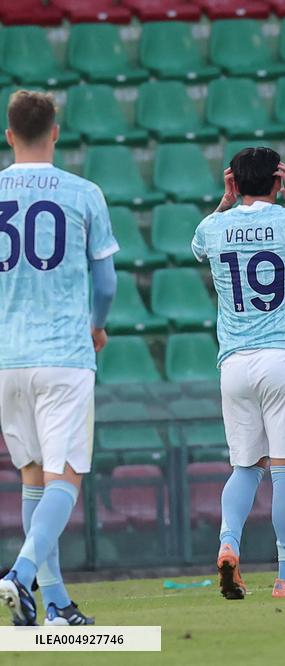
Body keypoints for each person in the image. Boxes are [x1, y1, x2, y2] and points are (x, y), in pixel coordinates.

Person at [191, 147, 285, 600]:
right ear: (279, 180)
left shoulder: (212, 228)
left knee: (244, 466)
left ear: (233, 182)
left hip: (234, 362)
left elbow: (198, 245)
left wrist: (224, 203)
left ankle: (228, 544)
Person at [0, 90, 118, 626]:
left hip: (7, 357)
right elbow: (108, 283)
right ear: (55, 132)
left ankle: (54, 606)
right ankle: (20, 576)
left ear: (8, 134)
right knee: (65, 478)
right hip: (64, 353)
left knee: (31, 477)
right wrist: (96, 325)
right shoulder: (83, 192)